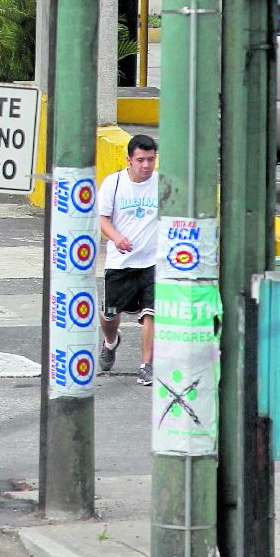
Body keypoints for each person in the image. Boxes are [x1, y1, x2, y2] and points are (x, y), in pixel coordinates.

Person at [96, 134, 158, 384]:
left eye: (151, 160)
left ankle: (146, 365)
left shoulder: (162, 183)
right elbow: (101, 218)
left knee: (150, 314)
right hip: (120, 263)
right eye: (140, 160)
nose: (146, 165)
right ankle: (111, 341)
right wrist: (116, 237)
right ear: (129, 160)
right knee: (109, 315)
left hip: (152, 263)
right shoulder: (114, 183)